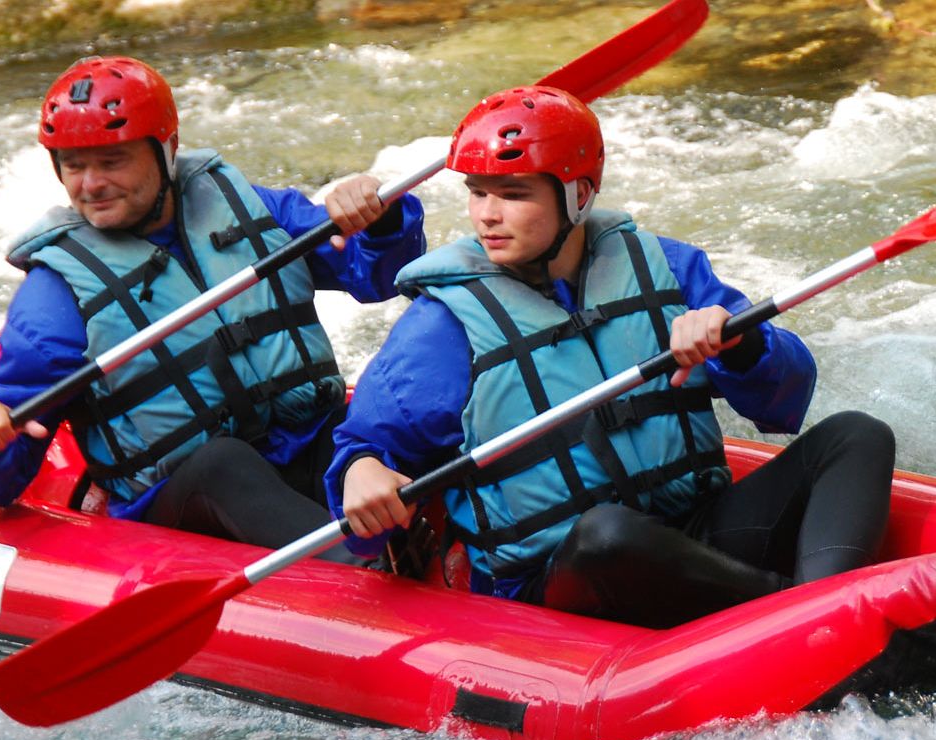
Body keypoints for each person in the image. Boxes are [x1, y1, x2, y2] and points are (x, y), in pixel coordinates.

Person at [331, 85, 894, 628]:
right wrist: (362, 471)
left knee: (857, 434)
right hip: (565, 573)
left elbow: (786, 397)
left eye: (514, 194)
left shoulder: (665, 268)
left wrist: (741, 343)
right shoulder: (443, 325)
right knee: (607, 534)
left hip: (693, 529)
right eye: (478, 192)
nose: (487, 216)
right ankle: (809, 616)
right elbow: (366, 448)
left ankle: (825, 609)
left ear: (579, 194)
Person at [0, 56, 425, 550]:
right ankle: (362, 574)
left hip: (303, 447)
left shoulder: (246, 208)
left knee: (379, 423)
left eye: (112, 161)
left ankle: (441, 547)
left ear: (168, 150)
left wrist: (381, 220)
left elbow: (380, 277)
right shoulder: (55, 296)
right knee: (224, 463)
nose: (90, 185)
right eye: (74, 165)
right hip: (185, 499)